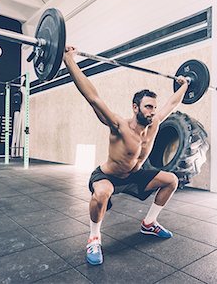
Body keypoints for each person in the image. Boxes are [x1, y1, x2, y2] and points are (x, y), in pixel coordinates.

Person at [63, 46, 189, 265]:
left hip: (135, 175)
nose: (152, 111)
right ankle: (94, 237)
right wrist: (68, 59)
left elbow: (172, 103)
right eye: (148, 107)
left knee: (171, 180)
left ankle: (149, 223)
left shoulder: (155, 124)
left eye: (154, 107)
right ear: (135, 107)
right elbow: (92, 97)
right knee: (102, 194)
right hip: (108, 175)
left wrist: (186, 85)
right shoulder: (118, 125)